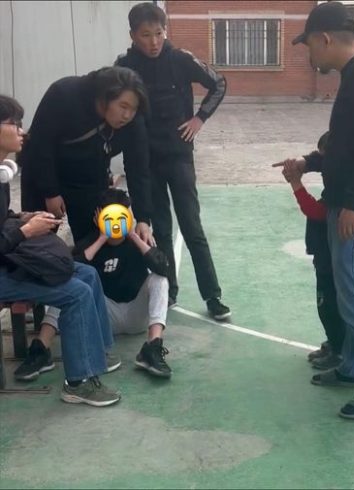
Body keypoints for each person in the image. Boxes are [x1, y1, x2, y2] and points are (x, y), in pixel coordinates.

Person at [279, 1, 354, 419]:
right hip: (346, 203)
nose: (310, 55)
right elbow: (345, 146)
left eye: (309, 46)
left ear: (325, 39)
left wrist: (353, 204)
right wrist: (310, 162)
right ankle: (352, 366)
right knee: (349, 297)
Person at [0, 94, 120, 406]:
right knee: (75, 293)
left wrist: (20, 217)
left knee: (87, 274)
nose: (22, 132)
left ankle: (97, 355)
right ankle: (78, 382)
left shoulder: (1, 175)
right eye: (14, 124)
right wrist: (26, 231)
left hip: (8, 261)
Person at [115, 2, 231, 320]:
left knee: (192, 227)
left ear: (165, 31)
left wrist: (199, 118)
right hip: (144, 161)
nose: (154, 42)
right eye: (146, 35)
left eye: (159, 33)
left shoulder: (180, 59)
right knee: (161, 230)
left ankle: (213, 296)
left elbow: (219, 83)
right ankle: (169, 292)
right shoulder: (125, 66)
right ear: (133, 35)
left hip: (179, 156)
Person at [16, 188, 173, 380]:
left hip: (136, 314)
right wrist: (102, 238)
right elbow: (69, 271)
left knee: (159, 280)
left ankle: (153, 347)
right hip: (103, 318)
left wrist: (132, 234)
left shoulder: (140, 240)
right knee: (68, 289)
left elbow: (164, 269)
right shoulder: (90, 243)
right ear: (99, 216)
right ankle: (41, 349)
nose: (115, 222)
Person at [19, 66, 154, 245]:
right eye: (123, 106)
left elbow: (138, 168)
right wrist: (50, 192)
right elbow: (40, 144)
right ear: (105, 97)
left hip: (89, 177)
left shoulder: (133, 121)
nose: (127, 115)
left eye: (133, 109)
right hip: (44, 170)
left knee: (94, 241)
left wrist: (143, 218)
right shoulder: (64, 94)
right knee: (38, 243)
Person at [279, 131, 346, 372]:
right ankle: (334, 342)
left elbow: (316, 212)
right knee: (325, 304)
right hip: (324, 257)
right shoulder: (336, 184)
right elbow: (316, 161)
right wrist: (300, 165)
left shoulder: (340, 193)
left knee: (329, 305)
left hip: (331, 260)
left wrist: (296, 183)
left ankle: (339, 349)